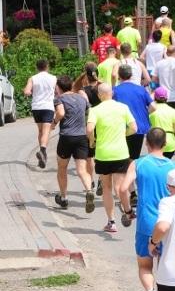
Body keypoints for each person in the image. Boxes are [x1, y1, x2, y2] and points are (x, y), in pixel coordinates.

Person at [117, 127, 175, 291]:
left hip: (145, 222)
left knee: (145, 266)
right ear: (165, 144)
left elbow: (123, 188)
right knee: (164, 269)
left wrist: (127, 210)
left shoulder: (139, 163)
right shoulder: (174, 167)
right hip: (168, 223)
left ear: (146, 143)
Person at [86, 82, 137, 235]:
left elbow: (89, 129)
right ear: (112, 93)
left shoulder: (94, 110)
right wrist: (124, 134)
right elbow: (134, 128)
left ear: (99, 95)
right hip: (121, 152)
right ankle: (127, 209)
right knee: (120, 188)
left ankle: (111, 222)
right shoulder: (123, 108)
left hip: (102, 153)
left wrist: (92, 140)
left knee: (106, 188)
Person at [51, 74, 94, 213]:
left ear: (59, 88)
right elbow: (88, 109)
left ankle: (63, 198)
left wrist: (54, 123)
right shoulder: (82, 98)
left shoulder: (59, 99)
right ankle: (89, 191)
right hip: (82, 137)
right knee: (82, 169)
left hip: (66, 137)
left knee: (62, 167)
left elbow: (61, 113)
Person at [112, 64, 155, 162]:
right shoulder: (141, 89)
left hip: (122, 127)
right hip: (139, 126)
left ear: (119, 76)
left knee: (122, 157)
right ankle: (131, 175)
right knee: (134, 157)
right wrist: (145, 114)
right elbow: (153, 107)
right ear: (131, 75)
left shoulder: (115, 91)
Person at [23, 59, 57, 169]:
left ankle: (44, 155)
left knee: (41, 131)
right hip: (48, 106)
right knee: (46, 131)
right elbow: (57, 91)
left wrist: (31, 91)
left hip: (36, 107)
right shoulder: (53, 78)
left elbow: (27, 92)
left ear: (37, 67)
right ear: (47, 66)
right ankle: (43, 150)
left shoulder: (33, 78)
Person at [149, 87, 175, 159]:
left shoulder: (152, 110)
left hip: (155, 141)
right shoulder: (173, 111)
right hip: (169, 141)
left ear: (155, 98)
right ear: (166, 98)